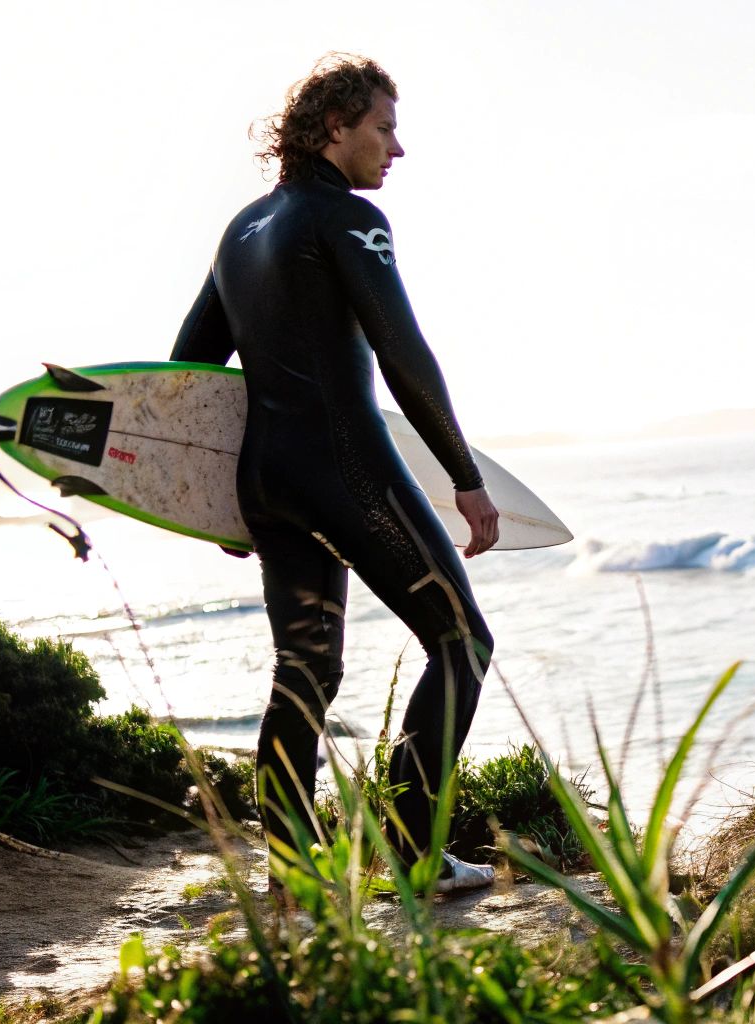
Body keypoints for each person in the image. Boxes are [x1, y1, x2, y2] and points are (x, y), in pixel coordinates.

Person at [170, 54, 498, 894]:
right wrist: (464, 476)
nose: (398, 148)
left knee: (305, 672)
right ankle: (414, 855)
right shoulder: (347, 219)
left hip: (268, 485)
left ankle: (290, 871)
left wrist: (219, 506)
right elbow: (404, 353)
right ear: (333, 129)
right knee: (461, 643)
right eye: (384, 128)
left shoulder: (242, 231)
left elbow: (188, 369)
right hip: (346, 467)